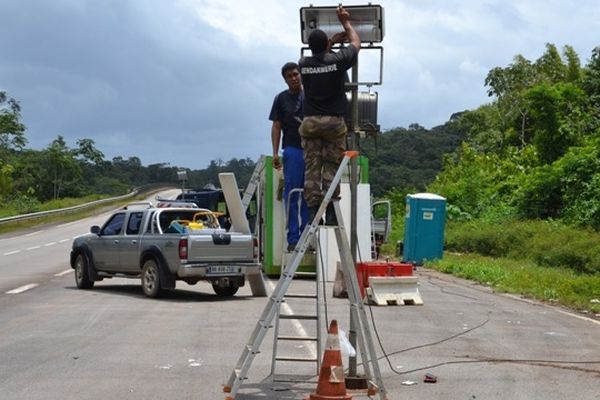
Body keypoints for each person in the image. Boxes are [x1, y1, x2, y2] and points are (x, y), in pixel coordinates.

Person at [298, 5, 360, 225]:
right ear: (326, 45)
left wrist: (328, 43)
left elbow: (319, 57)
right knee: (332, 164)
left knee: (312, 165)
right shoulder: (336, 61)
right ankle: (332, 209)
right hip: (334, 122)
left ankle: (315, 211)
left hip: (311, 122)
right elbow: (355, 44)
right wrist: (345, 22)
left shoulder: (303, 64)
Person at [269, 62, 309, 251]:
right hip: (292, 149)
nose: (294, 78)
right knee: (291, 193)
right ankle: (293, 238)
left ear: (300, 74)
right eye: (289, 76)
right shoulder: (281, 99)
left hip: (313, 149)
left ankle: (307, 235)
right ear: (285, 80)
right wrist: (275, 153)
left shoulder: (311, 94)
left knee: (311, 193)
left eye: (296, 74)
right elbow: (276, 126)